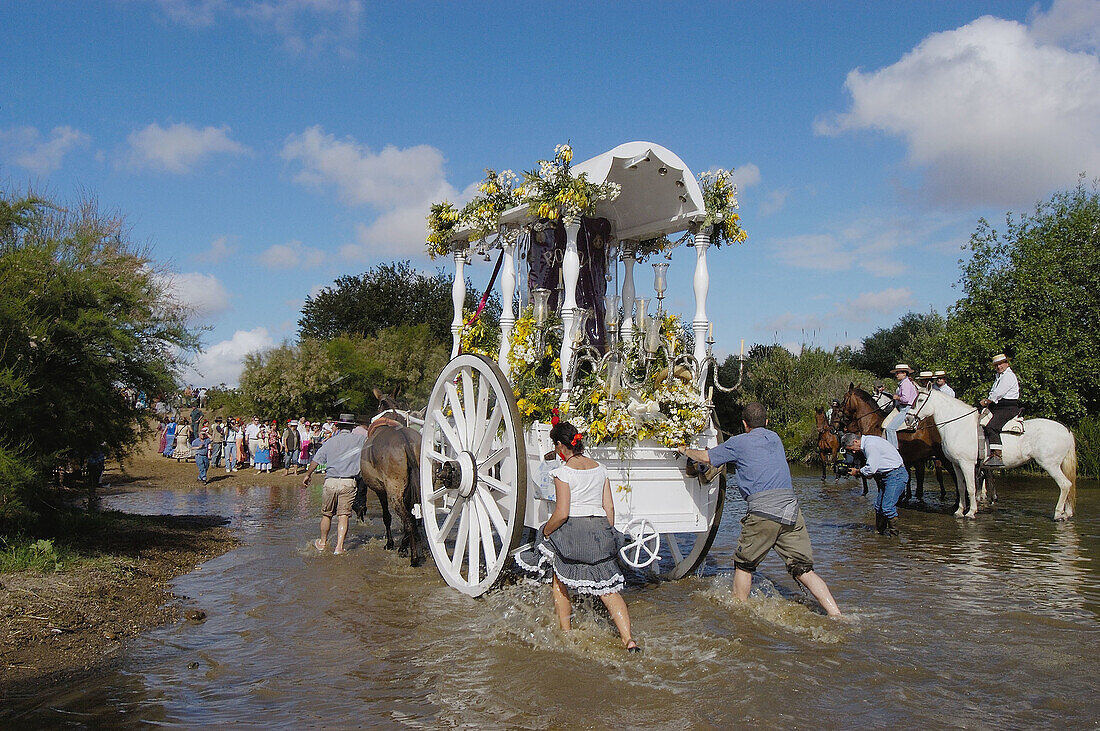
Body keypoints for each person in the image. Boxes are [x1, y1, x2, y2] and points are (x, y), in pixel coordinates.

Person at [678, 403, 842, 617]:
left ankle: (739, 614)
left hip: (763, 512)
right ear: (766, 422)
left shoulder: (738, 442)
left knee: (744, 564)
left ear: (744, 424)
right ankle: (837, 614)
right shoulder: (775, 438)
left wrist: (684, 449)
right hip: (791, 510)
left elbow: (707, 458)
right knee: (804, 569)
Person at [515, 421, 640, 651]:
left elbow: (562, 513)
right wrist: (606, 534)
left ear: (561, 446)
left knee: (559, 576)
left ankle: (566, 632)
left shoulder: (562, 472)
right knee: (608, 589)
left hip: (574, 531)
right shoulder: (601, 469)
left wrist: (546, 531)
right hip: (600, 529)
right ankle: (629, 640)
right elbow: (609, 508)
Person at [301, 414, 368, 555]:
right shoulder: (361, 440)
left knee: (327, 515)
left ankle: (322, 543)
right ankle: (339, 547)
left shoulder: (330, 442)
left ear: (338, 426)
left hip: (330, 481)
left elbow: (316, 460)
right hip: (348, 482)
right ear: (352, 427)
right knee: (343, 516)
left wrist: (308, 474)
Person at [840, 432, 907, 537]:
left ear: (855, 441)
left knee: (887, 507)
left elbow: (871, 468)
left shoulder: (870, 445)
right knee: (879, 507)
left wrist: (857, 472)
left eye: (852, 448)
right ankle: (880, 534)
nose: (853, 451)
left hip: (895, 475)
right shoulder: (870, 441)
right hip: (887, 475)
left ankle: (894, 537)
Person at [980, 353, 1021, 468]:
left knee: (991, 426)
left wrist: (988, 401)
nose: (999, 367)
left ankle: (997, 456)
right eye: (996, 365)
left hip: (1008, 407)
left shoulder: (1008, 376)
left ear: (1007, 364)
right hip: (999, 406)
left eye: (1001, 364)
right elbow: (994, 392)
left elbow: (998, 393)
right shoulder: (999, 377)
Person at [884, 364, 916, 449]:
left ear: (904, 374)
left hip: (906, 409)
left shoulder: (905, 383)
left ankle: (893, 449)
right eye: (896, 373)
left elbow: (905, 399)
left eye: (898, 373)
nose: (896, 375)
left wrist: (897, 397)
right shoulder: (904, 383)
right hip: (903, 408)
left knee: (890, 428)